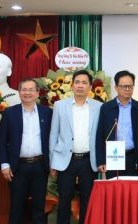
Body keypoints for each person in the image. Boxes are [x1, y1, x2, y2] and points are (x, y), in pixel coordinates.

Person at [48, 70, 102, 224]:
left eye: (84, 83)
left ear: (90, 87)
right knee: (64, 200)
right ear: (72, 85)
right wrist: (52, 162)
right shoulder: (60, 105)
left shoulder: (99, 107)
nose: (80, 86)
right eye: (77, 82)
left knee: (87, 200)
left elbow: (101, 137)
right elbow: (53, 135)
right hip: (66, 160)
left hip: (88, 160)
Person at [0, 78, 52, 224]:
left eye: (31, 90)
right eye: (24, 90)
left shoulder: (47, 113)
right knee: (16, 208)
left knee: (39, 208)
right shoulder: (9, 113)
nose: (27, 93)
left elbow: (53, 139)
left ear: (37, 93)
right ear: (19, 92)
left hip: (40, 166)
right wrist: (4, 164)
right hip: (17, 167)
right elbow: (1, 141)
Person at [96, 70, 138, 177]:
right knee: (114, 187)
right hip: (113, 156)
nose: (127, 89)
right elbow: (100, 135)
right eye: (124, 86)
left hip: (133, 157)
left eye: (130, 86)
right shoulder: (106, 108)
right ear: (116, 87)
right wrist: (101, 160)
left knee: (132, 187)